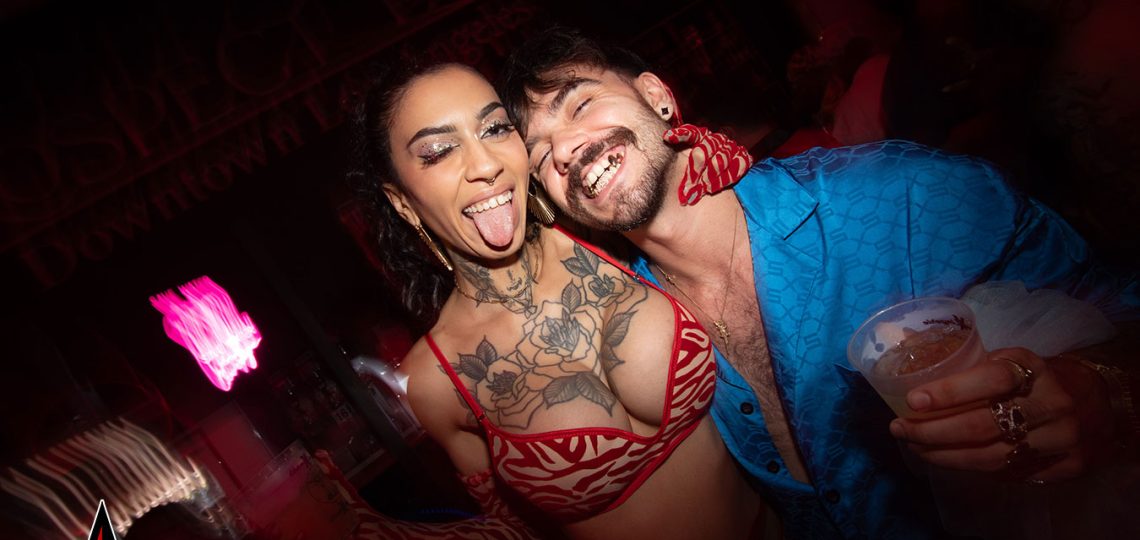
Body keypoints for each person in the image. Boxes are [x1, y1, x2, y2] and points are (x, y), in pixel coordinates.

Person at [499, 26, 1140, 539]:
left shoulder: (893, 194)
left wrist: (1104, 389)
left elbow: (1120, 299)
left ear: (657, 97)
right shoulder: (630, 338)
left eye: (580, 104)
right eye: (539, 154)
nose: (566, 150)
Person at [345, 59, 764, 539]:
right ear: (402, 201)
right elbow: (518, 529)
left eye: (495, 129)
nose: (485, 165)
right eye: (440, 151)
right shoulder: (434, 381)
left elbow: (724, 223)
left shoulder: (601, 227)